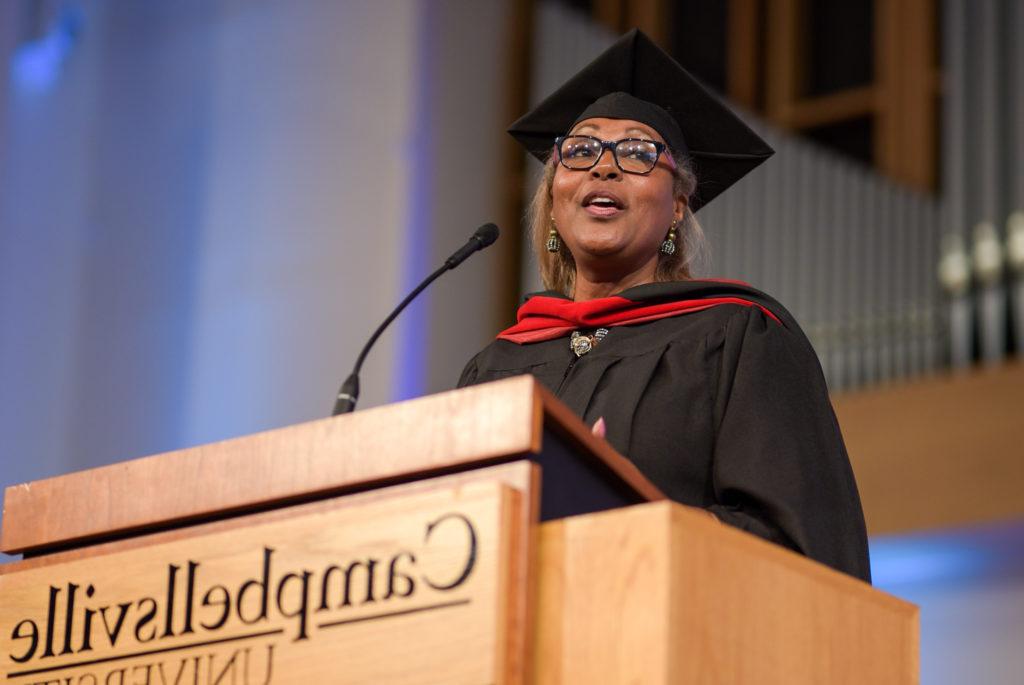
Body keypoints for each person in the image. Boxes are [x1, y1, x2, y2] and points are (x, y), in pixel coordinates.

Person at [458, 29, 871, 582]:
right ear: (554, 201)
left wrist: (638, 515)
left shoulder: (737, 334)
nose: (603, 167)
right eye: (579, 151)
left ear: (677, 206)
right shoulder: (497, 367)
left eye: (637, 152)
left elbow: (803, 552)